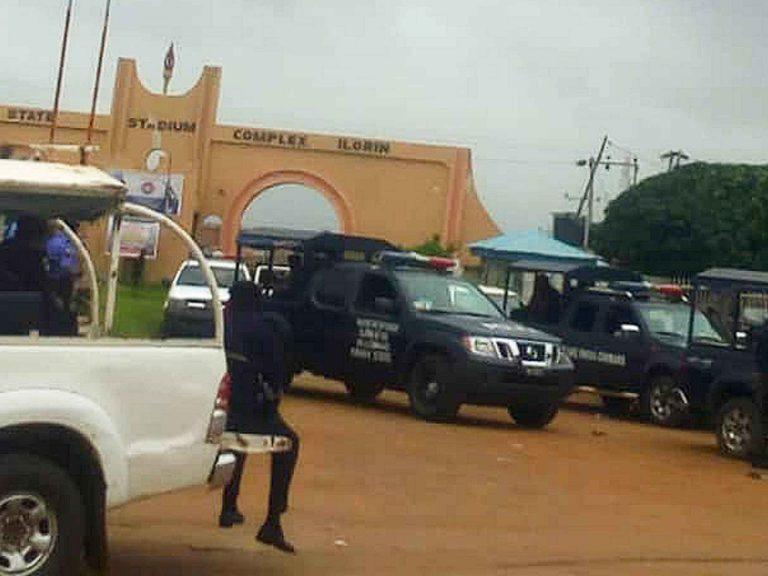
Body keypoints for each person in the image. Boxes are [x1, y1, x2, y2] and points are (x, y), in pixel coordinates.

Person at [220, 281, 299, 554]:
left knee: (238, 446)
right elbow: (278, 376)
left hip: (217, 411)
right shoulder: (265, 330)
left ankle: (228, 507)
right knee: (289, 443)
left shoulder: (220, 326)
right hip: (249, 413)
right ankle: (273, 520)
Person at [44, 221, 81, 335]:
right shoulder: (68, 243)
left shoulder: (52, 241)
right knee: (66, 309)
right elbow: (69, 268)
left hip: (55, 281)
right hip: (61, 282)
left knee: (57, 309)